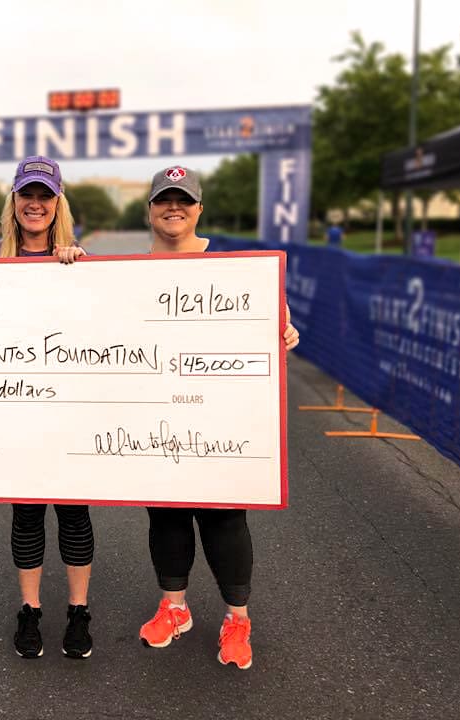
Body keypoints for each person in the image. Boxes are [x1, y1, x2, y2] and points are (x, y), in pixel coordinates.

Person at [137, 166, 300, 670]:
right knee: (165, 514)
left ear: (198, 209)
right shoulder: (126, 272)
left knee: (224, 517)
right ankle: (175, 607)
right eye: (165, 200)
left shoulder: (235, 270)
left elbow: (269, 323)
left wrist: (283, 331)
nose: (174, 208)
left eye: (183, 201)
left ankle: (237, 617)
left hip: (218, 420)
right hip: (154, 414)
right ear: (150, 209)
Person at [0, 156, 93, 660]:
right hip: (13, 413)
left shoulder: (80, 262)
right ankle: (31, 611)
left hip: (67, 414)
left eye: (46, 195)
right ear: (14, 201)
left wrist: (83, 274)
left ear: (57, 202)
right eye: (28, 195)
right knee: (26, 515)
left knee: (73, 513)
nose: (36, 204)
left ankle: (79, 611)